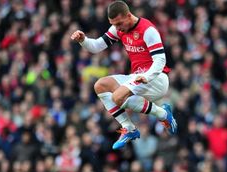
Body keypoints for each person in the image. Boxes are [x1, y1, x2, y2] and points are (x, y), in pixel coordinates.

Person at [71, 0, 177, 150]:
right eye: (114, 24)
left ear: (128, 15)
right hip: (137, 77)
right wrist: (83, 40)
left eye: (119, 23)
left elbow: (160, 60)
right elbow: (96, 47)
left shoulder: (148, 30)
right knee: (100, 86)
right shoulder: (118, 28)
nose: (117, 28)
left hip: (156, 79)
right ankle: (129, 128)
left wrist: (147, 76)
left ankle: (162, 114)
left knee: (117, 97)